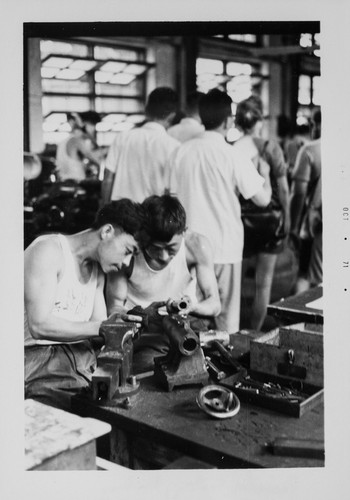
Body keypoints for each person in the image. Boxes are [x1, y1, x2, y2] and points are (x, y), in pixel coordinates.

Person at [169, 89, 272, 333]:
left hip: (189, 248)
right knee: (225, 324)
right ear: (228, 121)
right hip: (225, 247)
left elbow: (169, 195)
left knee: (190, 319)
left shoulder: (180, 152)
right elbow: (262, 200)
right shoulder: (233, 155)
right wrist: (265, 175)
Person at [24, 200, 143, 409]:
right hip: (36, 361)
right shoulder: (48, 251)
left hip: (79, 357)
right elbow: (39, 325)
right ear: (107, 231)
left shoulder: (97, 272)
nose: (125, 263)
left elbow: (99, 330)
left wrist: (120, 324)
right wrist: (104, 326)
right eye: (127, 250)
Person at [106, 194, 221, 372]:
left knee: (213, 364)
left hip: (184, 322)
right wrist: (144, 314)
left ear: (184, 232)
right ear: (143, 236)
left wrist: (192, 307)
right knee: (149, 372)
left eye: (171, 248)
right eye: (156, 248)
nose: (164, 257)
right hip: (143, 329)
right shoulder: (128, 252)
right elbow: (113, 308)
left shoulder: (197, 246)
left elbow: (214, 304)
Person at [232, 96, 290, 331]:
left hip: (241, 222)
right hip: (270, 220)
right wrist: (287, 218)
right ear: (260, 121)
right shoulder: (271, 147)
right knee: (263, 285)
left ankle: (232, 331)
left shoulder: (232, 148)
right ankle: (255, 332)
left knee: (235, 284)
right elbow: (284, 189)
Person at [101, 87, 180, 204]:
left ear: (146, 110)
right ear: (172, 116)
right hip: (153, 213)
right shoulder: (174, 146)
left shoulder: (123, 137)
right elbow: (172, 190)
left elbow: (108, 177)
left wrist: (104, 208)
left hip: (120, 211)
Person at [290, 109, 322, 291]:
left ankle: (298, 318)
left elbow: (299, 193)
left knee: (304, 274)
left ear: (316, 125)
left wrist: (293, 226)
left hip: (315, 224)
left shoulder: (310, 150)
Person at [56, 111, 102, 181]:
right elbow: (94, 158)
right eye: (92, 125)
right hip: (74, 183)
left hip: (65, 181)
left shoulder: (64, 142)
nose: (93, 129)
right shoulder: (76, 140)